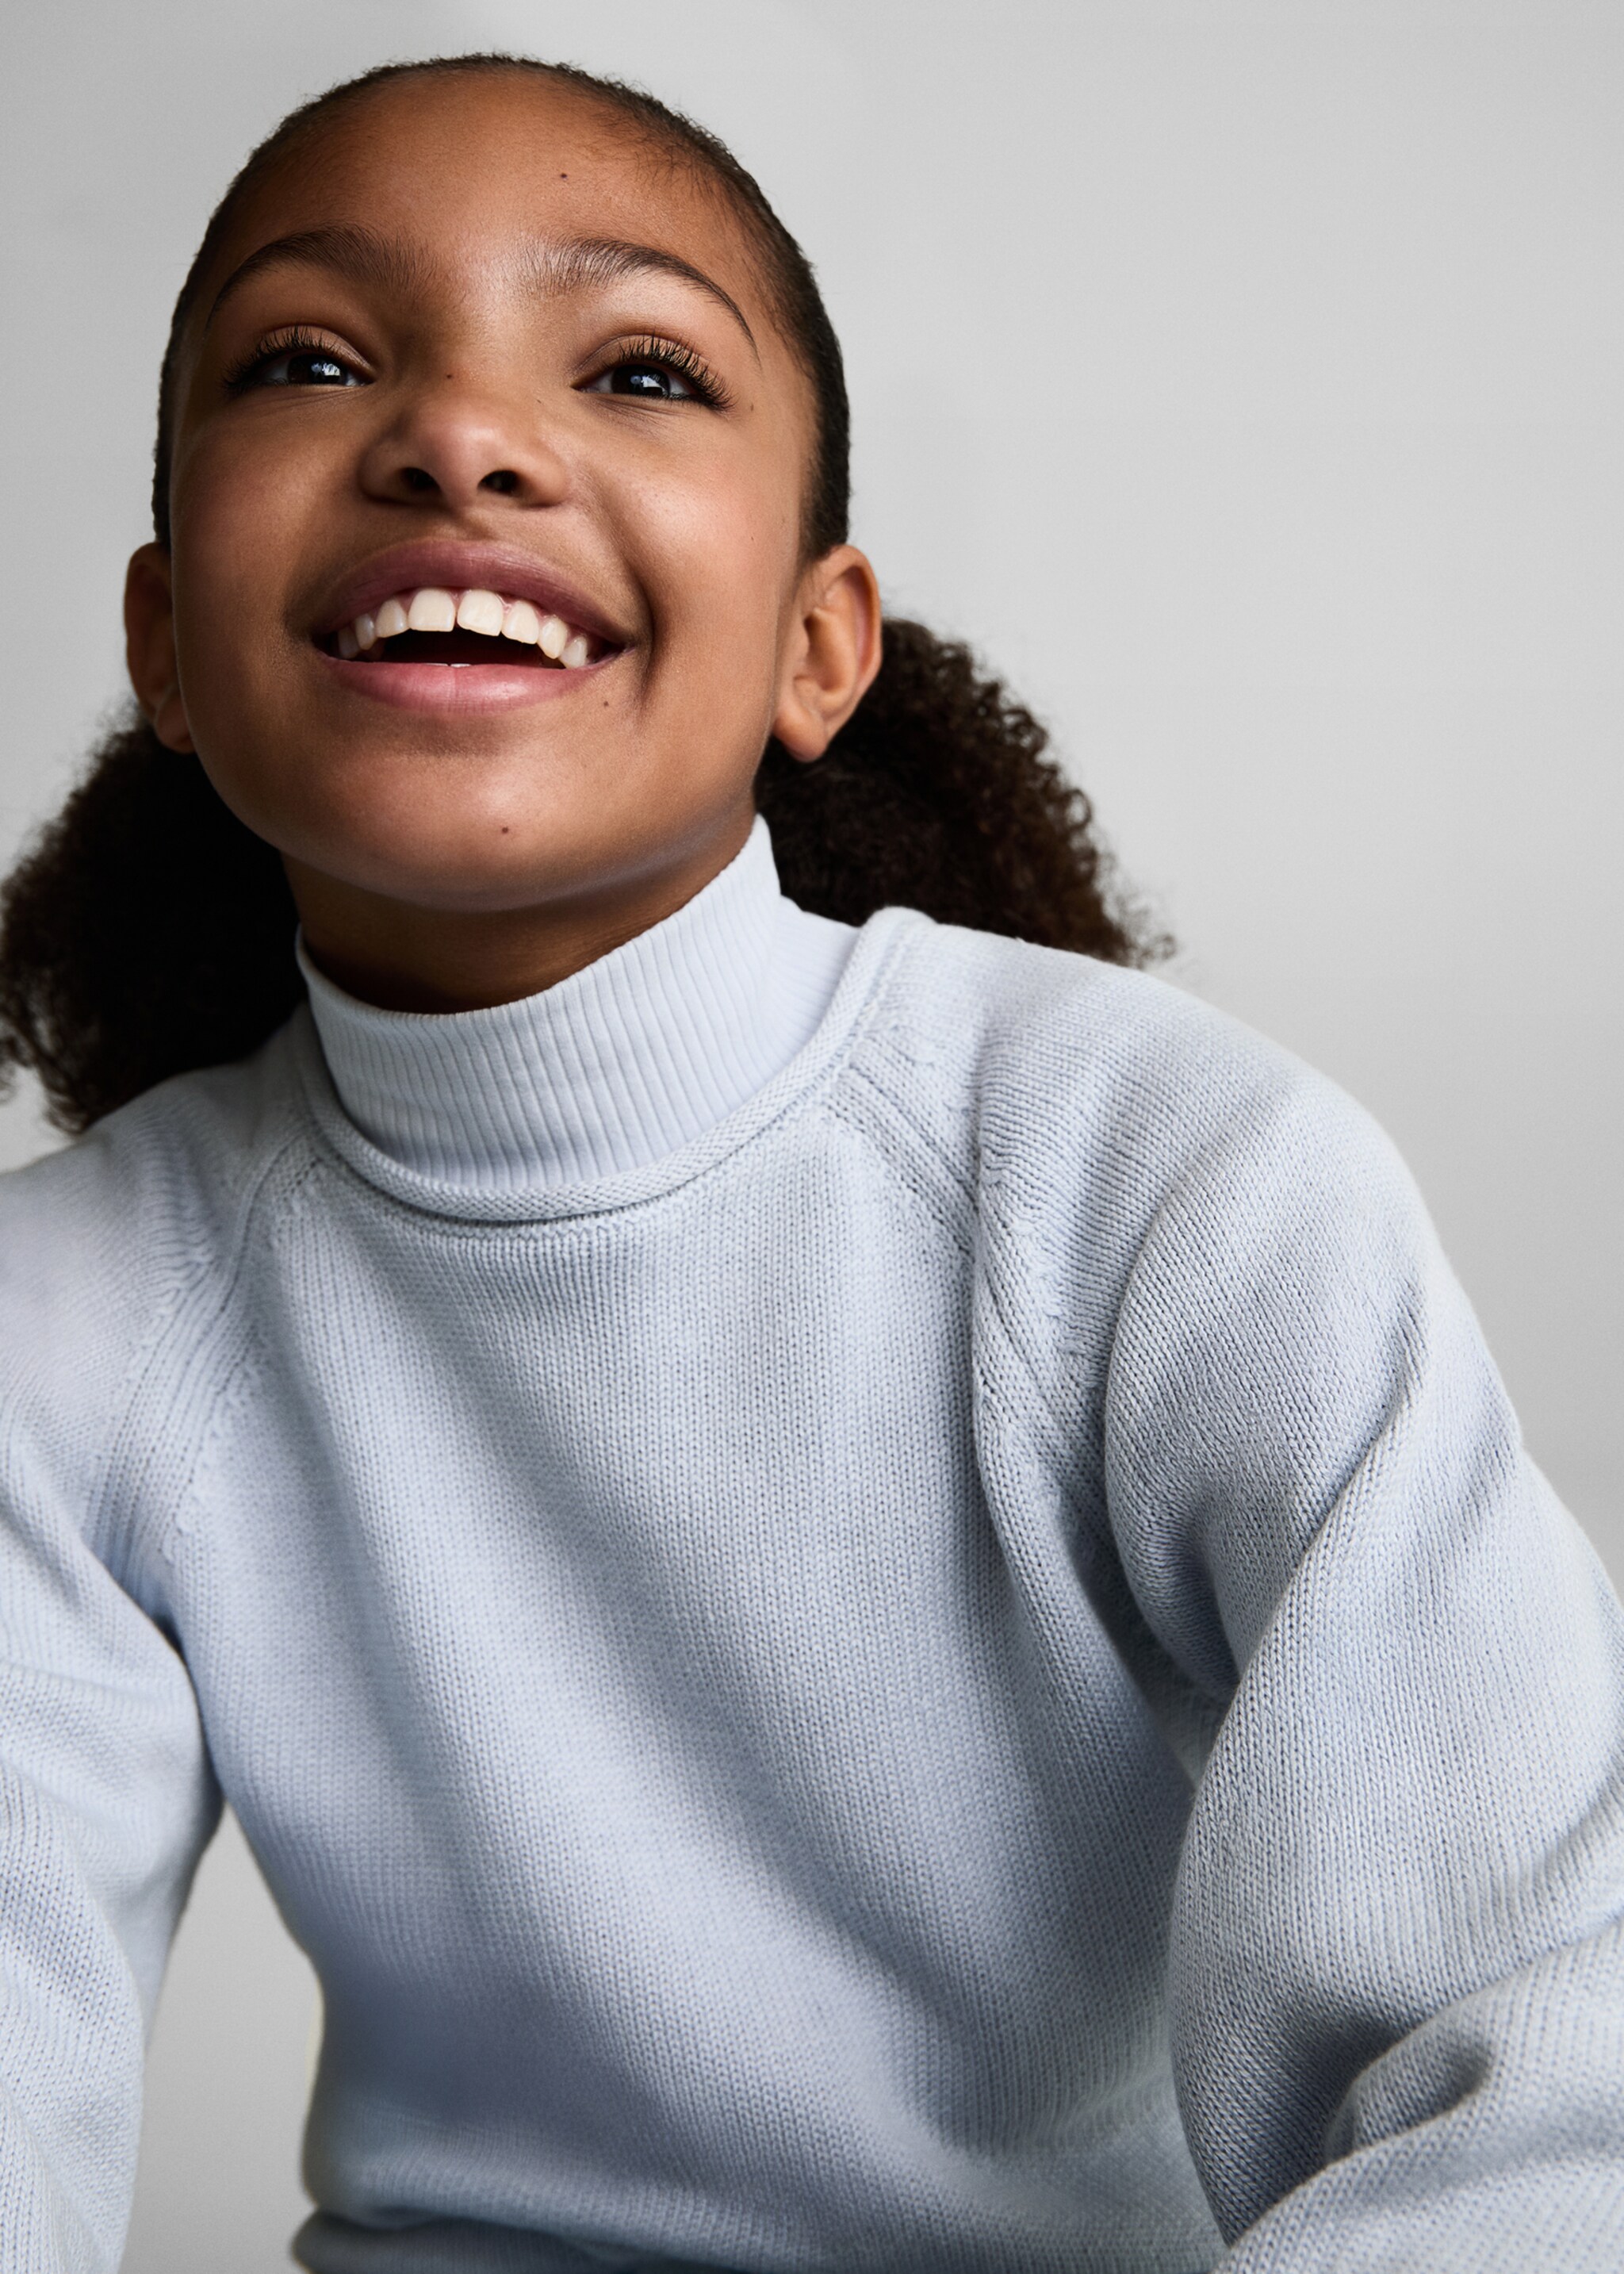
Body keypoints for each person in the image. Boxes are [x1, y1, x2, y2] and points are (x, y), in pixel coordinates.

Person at [0, 52, 1618, 2274]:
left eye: (640, 365)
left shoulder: (1173, 1186)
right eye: (310, 356)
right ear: (165, 640)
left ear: (817, 644)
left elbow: (1550, 2067)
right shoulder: (68, 1315)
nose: (458, 437)